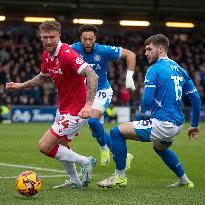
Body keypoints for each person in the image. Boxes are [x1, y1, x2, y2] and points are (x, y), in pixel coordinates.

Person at [97, 34, 201, 188]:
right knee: (159, 147)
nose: (146, 53)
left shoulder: (154, 69)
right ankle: (184, 180)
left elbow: (146, 100)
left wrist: (142, 109)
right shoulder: (180, 70)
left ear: (161, 49)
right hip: (177, 124)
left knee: (116, 132)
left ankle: (119, 176)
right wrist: (194, 125)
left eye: (149, 49)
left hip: (163, 123)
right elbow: (196, 99)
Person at [6, 20, 99, 189]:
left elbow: (92, 75)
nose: (48, 41)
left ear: (59, 36)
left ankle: (86, 162)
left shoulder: (68, 54)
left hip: (77, 110)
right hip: (63, 108)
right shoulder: (46, 55)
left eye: (52, 37)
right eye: (45, 37)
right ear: (40, 37)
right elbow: (43, 77)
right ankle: (75, 180)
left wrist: (88, 105)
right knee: (62, 145)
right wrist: (21, 85)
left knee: (44, 146)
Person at [71, 24, 135, 167]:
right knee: (96, 131)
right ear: (81, 39)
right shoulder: (73, 49)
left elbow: (130, 54)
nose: (87, 42)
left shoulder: (103, 50)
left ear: (95, 39)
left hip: (102, 91)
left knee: (93, 121)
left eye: (90, 39)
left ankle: (104, 148)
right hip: (84, 94)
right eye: (85, 39)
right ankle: (124, 155)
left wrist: (129, 77)